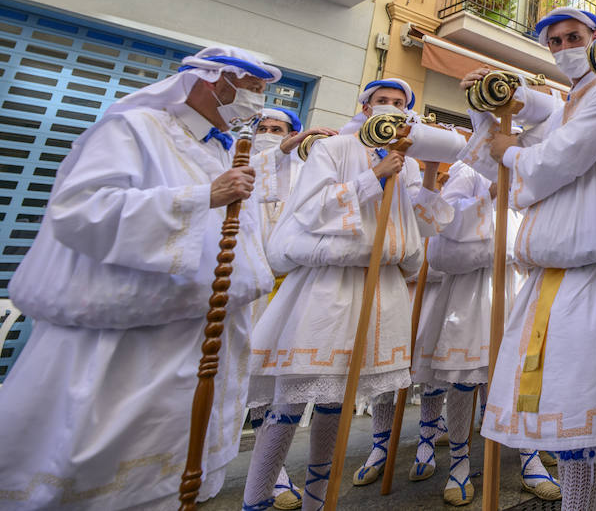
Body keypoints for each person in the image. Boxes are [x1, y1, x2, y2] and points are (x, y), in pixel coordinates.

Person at [0, 46, 280, 509]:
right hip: (130, 344)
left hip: (200, 337)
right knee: (106, 477)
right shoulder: (134, 129)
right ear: (213, 81)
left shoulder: (215, 145)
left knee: (173, 478)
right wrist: (199, 197)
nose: (257, 103)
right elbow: (81, 209)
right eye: (251, 90)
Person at [459, 7, 596, 511]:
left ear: (595, 37)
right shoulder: (563, 104)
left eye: (573, 37)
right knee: (563, 412)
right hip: (551, 277)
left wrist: (513, 151)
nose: (563, 48)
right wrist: (487, 106)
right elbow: (518, 161)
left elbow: (561, 157)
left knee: (582, 414)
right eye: (553, 42)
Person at [240, 79, 452, 511]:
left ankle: (320, 501)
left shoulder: (407, 161)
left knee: (336, 403)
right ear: (365, 105)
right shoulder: (334, 149)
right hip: (325, 288)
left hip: (380, 290)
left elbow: (424, 226)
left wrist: (427, 173)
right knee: (292, 398)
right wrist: (373, 176)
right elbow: (310, 207)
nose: (389, 108)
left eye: (398, 103)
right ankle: (257, 497)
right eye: (382, 102)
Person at [399, 158, 561, 505]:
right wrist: (487, 194)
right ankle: (459, 465)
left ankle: (528, 458)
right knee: (465, 379)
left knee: (522, 376)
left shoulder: (531, 166)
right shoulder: (467, 170)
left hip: (519, 283)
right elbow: (444, 220)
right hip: (474, 291)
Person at [244, 107, 336, 511]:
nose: (267, 134)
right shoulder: (246, 165)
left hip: (285, 291)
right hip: (243, 292)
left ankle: (274, 474)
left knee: (275, 382)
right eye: (261, 128)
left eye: (277, 129)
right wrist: (278, 147)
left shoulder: (305, 176)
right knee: (243, 383)